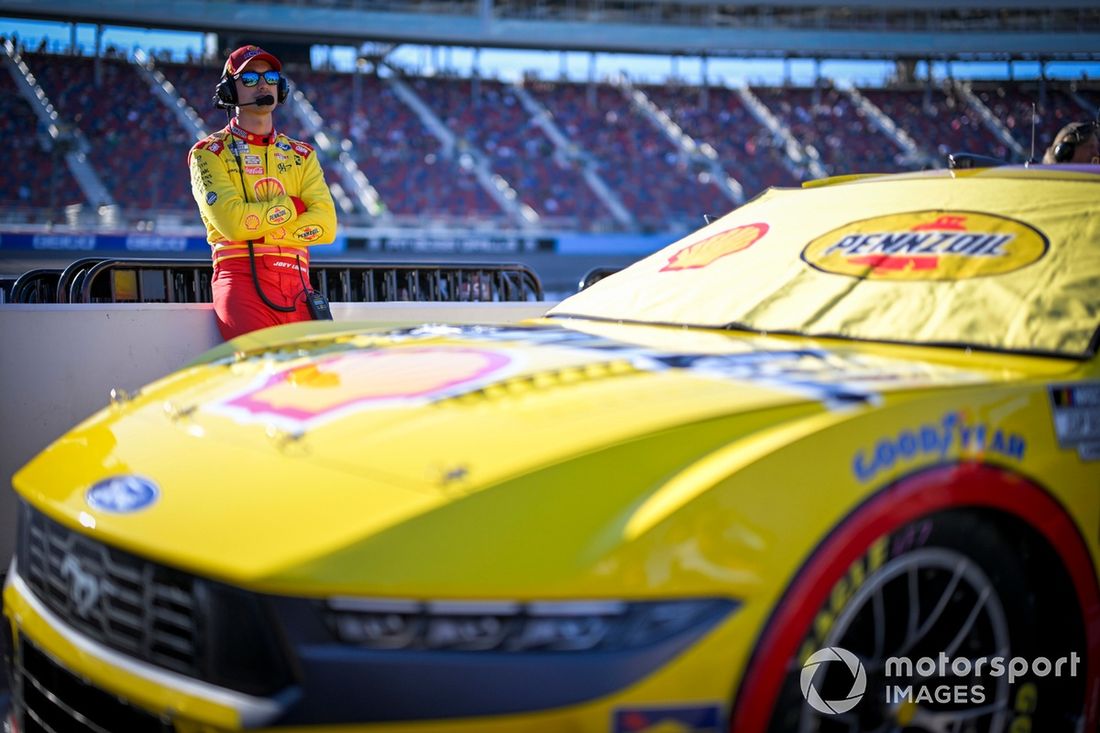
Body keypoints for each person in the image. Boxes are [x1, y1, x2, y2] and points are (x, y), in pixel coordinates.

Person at [188, 45, 337, 340]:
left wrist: (256, 229)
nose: (263, 85)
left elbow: (327, 227)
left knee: (314, 381)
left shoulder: (302, 154)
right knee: (261, 376)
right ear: (229, 91)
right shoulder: (207, 154)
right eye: (250, 79)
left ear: (280, 87)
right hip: (241, 284)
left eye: (269, 77)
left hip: (300, 288)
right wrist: (293, 207)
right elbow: (232, 224)